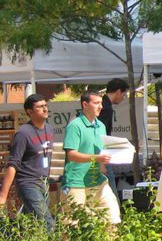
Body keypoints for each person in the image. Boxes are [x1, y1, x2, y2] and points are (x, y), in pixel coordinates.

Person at [61, 91, 121, 226]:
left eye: (101, 103)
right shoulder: (75, 126)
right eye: (96, 103)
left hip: (98, 181)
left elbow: (100, 151)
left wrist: (104, 164)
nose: (100, 106)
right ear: (85, 104)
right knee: (72, 226)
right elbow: (71, 155)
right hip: (76, 182)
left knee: (112, 219)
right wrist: (98, 158)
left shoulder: (101, 126)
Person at [0, 94, 56, 231]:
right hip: (28, 183)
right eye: (40, 107)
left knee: (30, 222)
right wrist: (3, 195)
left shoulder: (49, 129)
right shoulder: (23, 134)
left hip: (44, 182)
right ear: (29, 112)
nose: (45, 109)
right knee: (47, 221)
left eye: (45, 105)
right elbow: (13, 164)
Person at [99, 77, 129, 196]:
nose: (123, 97)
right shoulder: (105, 108)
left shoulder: (105, 105)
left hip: (100, 151)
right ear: (118, 91)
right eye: (124, 94)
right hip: (101, 151)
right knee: (109, 183)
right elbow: (101, 133)